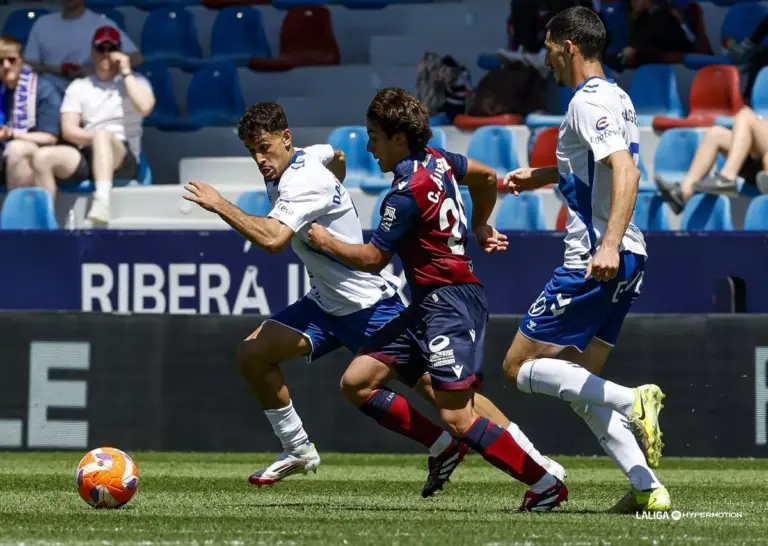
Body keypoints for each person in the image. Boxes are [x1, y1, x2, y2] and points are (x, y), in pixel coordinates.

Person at [181, 102, 563, 497]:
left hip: (371, 305)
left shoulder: (306, 179)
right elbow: (337, 155)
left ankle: (538, 461)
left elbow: (274, 240)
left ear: (285, 138)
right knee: (253, 354)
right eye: (252, 151)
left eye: (264, 147)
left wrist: (219, 204)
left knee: (449, 398)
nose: (260, 158)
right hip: (325, 304)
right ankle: (300, 449)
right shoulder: (309, 157)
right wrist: (338, 185)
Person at [306, 87, 568, 512]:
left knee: (458, 415)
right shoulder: (441, 160)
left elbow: (373, 259)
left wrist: (324, 240)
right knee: (357, 381)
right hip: (426, 305)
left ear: (397, 138)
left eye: (374, 136)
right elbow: (486, 177)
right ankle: (445, 447)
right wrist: (480, 226)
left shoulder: (405, 192)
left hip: (449, 303)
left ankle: (543, 483)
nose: (369, 147)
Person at [499, 7, 670, 513]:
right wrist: (545, 174)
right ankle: (647, 488)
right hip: (631, 258)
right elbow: (598, 164)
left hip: (596, 258)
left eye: (550, 48)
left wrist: (607, 244)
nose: (546, 58)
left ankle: (632, 399)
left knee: (516, 366)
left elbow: (626, 171)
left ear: (569, 46)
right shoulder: (617, 96)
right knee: (579, 387)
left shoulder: (585, 102)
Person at [31, 26, 154, 225]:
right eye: (101, 48)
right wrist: (95, 138)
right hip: (88, 150)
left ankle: (102, 203)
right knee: (42, 157)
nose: (106, 53)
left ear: (120, 51)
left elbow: (145, 107)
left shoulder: (137, 81)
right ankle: (45, 223)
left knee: (103, 136)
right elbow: (69, 130)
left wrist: (126, 72)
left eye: (111, 47)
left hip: (123, 153)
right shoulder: (80, 86)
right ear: (92, 53)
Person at [656, 106, 768, 213]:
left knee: (745, 116)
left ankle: (728, 178)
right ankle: (683, 193)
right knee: (715, 134)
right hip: (759, 167)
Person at [24, 0, 142, 94]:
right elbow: (28, 63)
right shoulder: (42, 23)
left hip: (91, 87)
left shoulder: (103, 23)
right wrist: (59, 71)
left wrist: (93, 69)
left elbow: (136, 58)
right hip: (51, 91)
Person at [0, 36, 61, 190]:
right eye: (0, 61)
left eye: (12, 60)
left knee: (17, 149)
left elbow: (50, 138)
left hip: (34, 148)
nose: (6, 66)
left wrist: (12, 135)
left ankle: (21, 212)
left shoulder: (43, 90)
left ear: (22, 60)